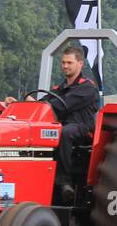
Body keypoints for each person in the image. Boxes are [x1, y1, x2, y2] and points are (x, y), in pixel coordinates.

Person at [35, 44, 100, 204]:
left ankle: (63, 182)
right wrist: (25, 103)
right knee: (42, 132)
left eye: (69, 63)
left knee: (63, 132)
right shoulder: (59, 88)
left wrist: (43, 104)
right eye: (63, 62)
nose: (65, 66)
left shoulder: (87, 87)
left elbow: (62, 104)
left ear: (80, 64)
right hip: (61, 126)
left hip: (82, 129)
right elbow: (43, 103)